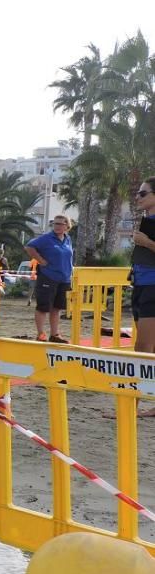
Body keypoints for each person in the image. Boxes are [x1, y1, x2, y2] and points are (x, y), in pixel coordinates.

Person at [25, 214, 73, 343]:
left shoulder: (68, 239)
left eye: (60, 224)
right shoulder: (46, 238)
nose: (57, 226)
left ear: (67, 226)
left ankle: (54, 334)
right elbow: (29, 247)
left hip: (64, 278)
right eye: (55, 224)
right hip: (48, 277)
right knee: (43, 307)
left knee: (57, 308)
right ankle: (41, 334)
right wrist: (41, 260)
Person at [129, 177, 155, 417]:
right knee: (146, 346)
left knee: (143, 347)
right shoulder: (147, 220)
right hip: (141, 285)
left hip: (152, 288)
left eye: (143, 193)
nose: (138, 196)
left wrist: (146, 242)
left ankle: (132, 408)